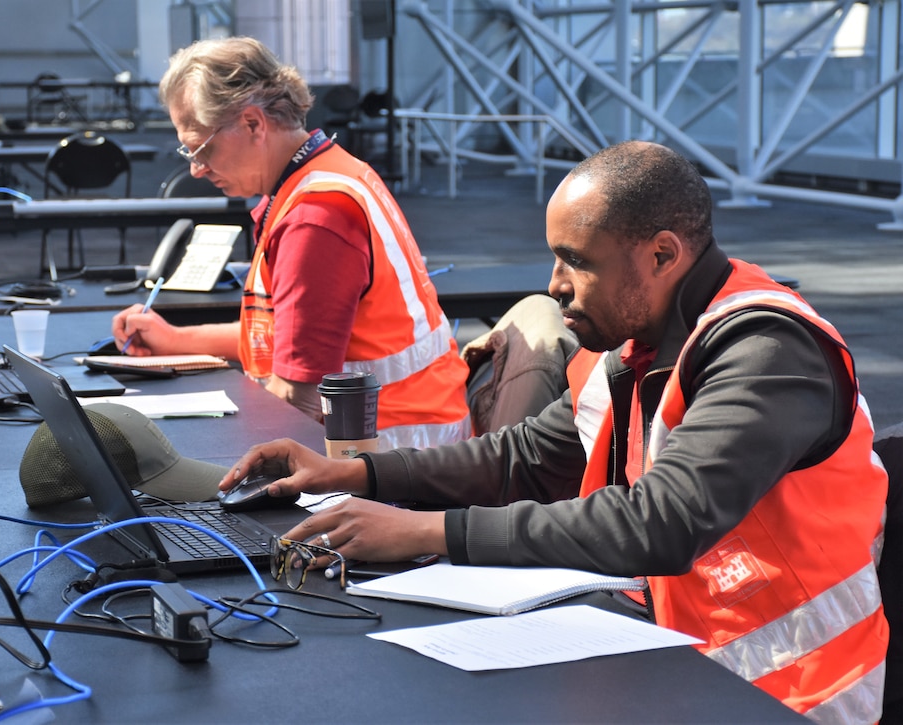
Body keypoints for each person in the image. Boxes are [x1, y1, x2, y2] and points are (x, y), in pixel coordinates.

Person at [221, 141, 889, 722]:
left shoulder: (767, 349)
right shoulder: (629, 344)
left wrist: (430, 532)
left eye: (577, 261)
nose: (555, 285)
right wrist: (357, 473)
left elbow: (666, 521)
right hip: (677, 659)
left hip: (789, 694)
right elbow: (525, 458)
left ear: (662, 255)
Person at [113, 37, 470, 450]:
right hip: (407, 440)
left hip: (386, 458)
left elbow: (299, 398)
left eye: (200, 148)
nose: (196, 169)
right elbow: (291, 341)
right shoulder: (326, 177)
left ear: (252, 124)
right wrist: (175, 340)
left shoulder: (315, 219)